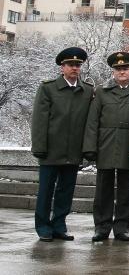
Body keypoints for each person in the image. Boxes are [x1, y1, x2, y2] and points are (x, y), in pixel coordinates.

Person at [30, 47, 94, 242]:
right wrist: (39, 147)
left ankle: (59, 225)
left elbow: (89, 123)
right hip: (51, 150)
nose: (74, 68)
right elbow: (39, 120)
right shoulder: (48, 88)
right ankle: (43, 227)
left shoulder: (87, 90)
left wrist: (87, 149)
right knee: (46, 191)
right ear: (62, 67)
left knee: (66, 192)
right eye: (70, 65)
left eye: (78, 65)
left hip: (73, 151)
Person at [83, 51, 129, 242]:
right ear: (113, 71)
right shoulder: (101, 91)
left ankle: (121, 228)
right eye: (118, 69)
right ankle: (101, 227)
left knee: (126, 190)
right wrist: (90, 148)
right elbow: (92, 121)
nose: (122, 72)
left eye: (125, 68)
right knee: (103, 190)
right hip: (105, 145)